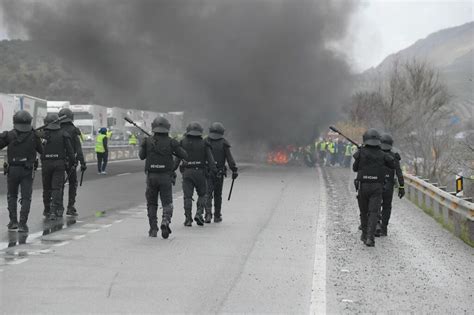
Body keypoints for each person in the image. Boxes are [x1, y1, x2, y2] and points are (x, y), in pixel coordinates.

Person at [139, 117, 187, 238]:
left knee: (151, 203)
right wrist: (173, 149)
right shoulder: (171, 142)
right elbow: (184, 155)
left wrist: (144, 145)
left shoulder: (148, 141)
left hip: (151, 177)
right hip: (165, 176)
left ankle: (153, 229)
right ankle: (165, 221)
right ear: (167, 128)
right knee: (167, 202)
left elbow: (141, 156)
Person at [0, 110, 43, 232]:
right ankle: (23, 224)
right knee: (26, 197)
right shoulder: (34, 136)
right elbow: (42, 151)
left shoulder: (9, 135)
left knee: (12, 195)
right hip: (27, 170)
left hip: (12, 170)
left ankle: (13, 222)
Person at [353, 128, 395, 247]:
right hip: (377, 187)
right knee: (373, 212)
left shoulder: (361, 152)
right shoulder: (382, 154)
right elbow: (392, 164)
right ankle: (370, 238)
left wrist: (360, 153)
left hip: (363, 186)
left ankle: (364, 234)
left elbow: (355, 168)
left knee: (364, 211)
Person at [175, 122, 217, 227]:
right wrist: (214, 172)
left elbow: (176, 161)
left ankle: (188, 219)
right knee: (203, 194)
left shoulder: (182, 143)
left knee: (187, 196)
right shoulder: (204, 143)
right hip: (200, 173)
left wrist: (171, 170)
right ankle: (199, 213)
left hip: (187, 173)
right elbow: (211, 161)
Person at [40, 113, 75, 220]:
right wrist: (72, 162)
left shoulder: (42, 134)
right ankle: (55, 209)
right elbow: (70, 151)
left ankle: (46, 209)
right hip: (59, 163)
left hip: (46, 164)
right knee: (57, 187)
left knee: (46, 188)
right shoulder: (63, 134)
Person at [204, 122, 238, 223]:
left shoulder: (205, 141)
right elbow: (230, 159)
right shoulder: (224, 143)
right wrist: (234, 170)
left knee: (208, 193)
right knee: (218, 195)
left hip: (207, 172)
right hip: (219, 173)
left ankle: (207, 214)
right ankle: (217, 215)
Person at [58, 108, 87, 216]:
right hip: (71, 160)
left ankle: (58, 208)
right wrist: (82, 162)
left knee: (59, 184)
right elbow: (78, 148)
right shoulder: (74, 130)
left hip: (59, 160)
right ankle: (70, 207)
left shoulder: (56, 128)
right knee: (72, 183)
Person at [376, 133, 405, 236]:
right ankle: (384, 228)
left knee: (376, 204)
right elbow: (399, 172)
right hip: (389, 185)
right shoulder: (394, 156)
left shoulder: (376, 154)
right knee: (387, 206)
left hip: (377, 183)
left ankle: (377, 224)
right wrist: (401, 187)